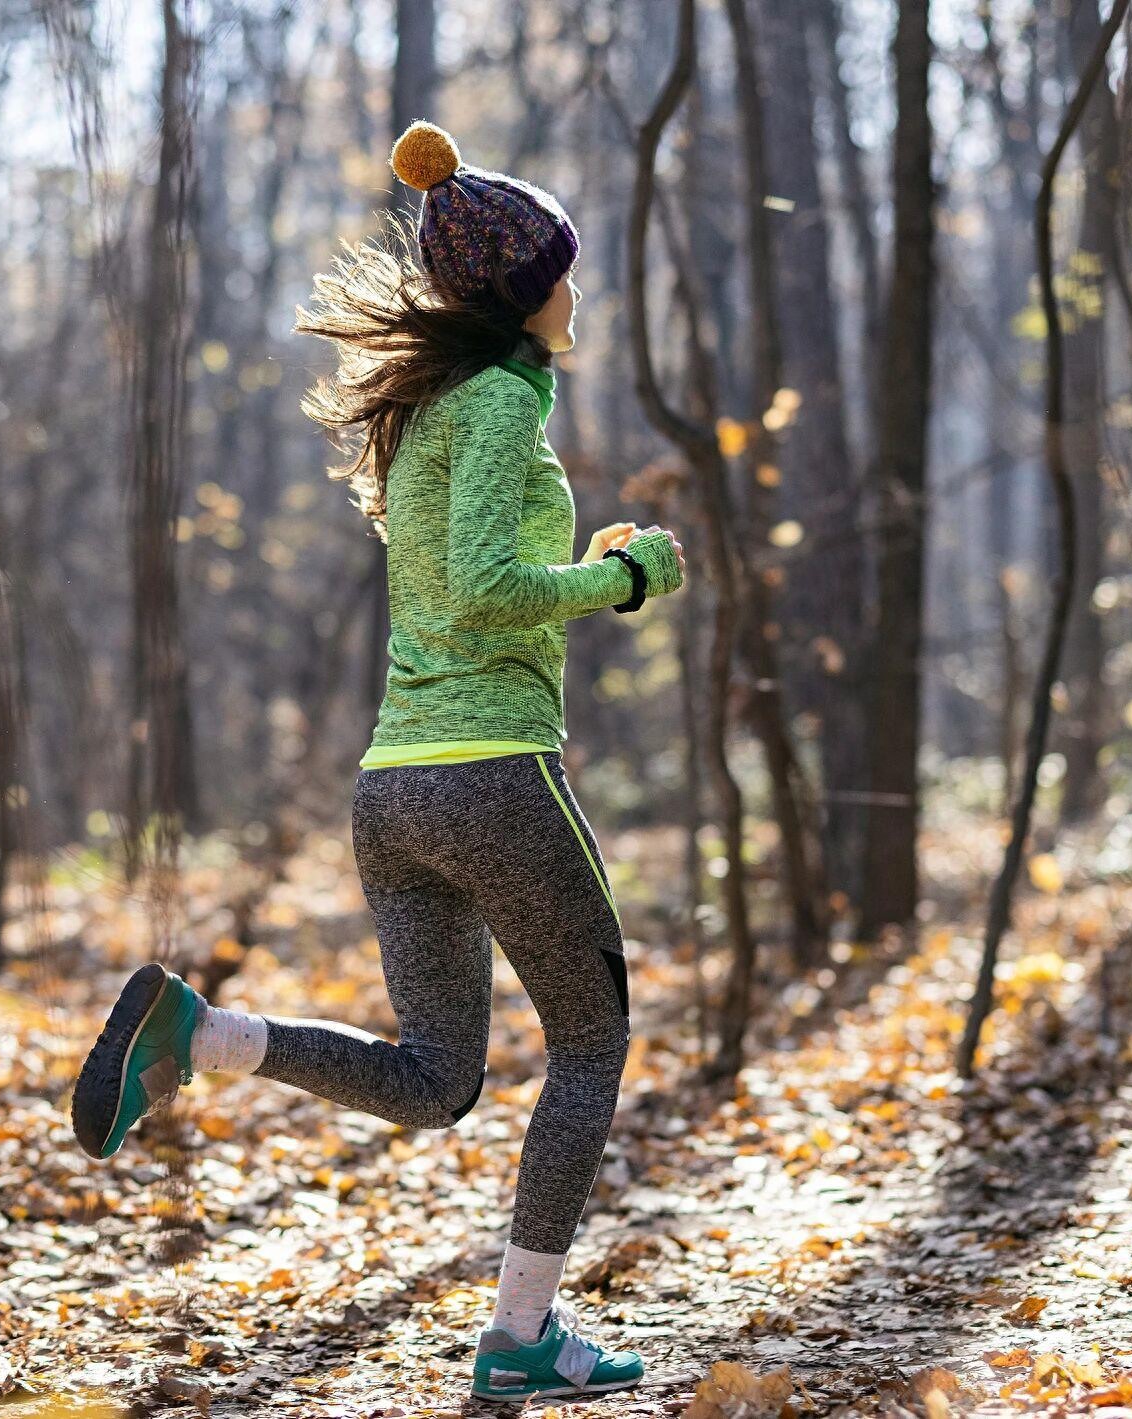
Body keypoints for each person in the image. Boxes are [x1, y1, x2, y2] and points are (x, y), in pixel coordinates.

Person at [68, 120, 685, 1403]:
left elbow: (464, 572)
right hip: (494, 778)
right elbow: (482, 589)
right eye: (563, 268)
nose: (579, 288)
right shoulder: (503, 402)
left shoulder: (433, 414)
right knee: (589, 1047)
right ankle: (520, 1339)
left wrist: (578, 556)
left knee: (437, 1082)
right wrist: (622, 580)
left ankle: (205, 1031)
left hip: (394, 792)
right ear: (525, 290)